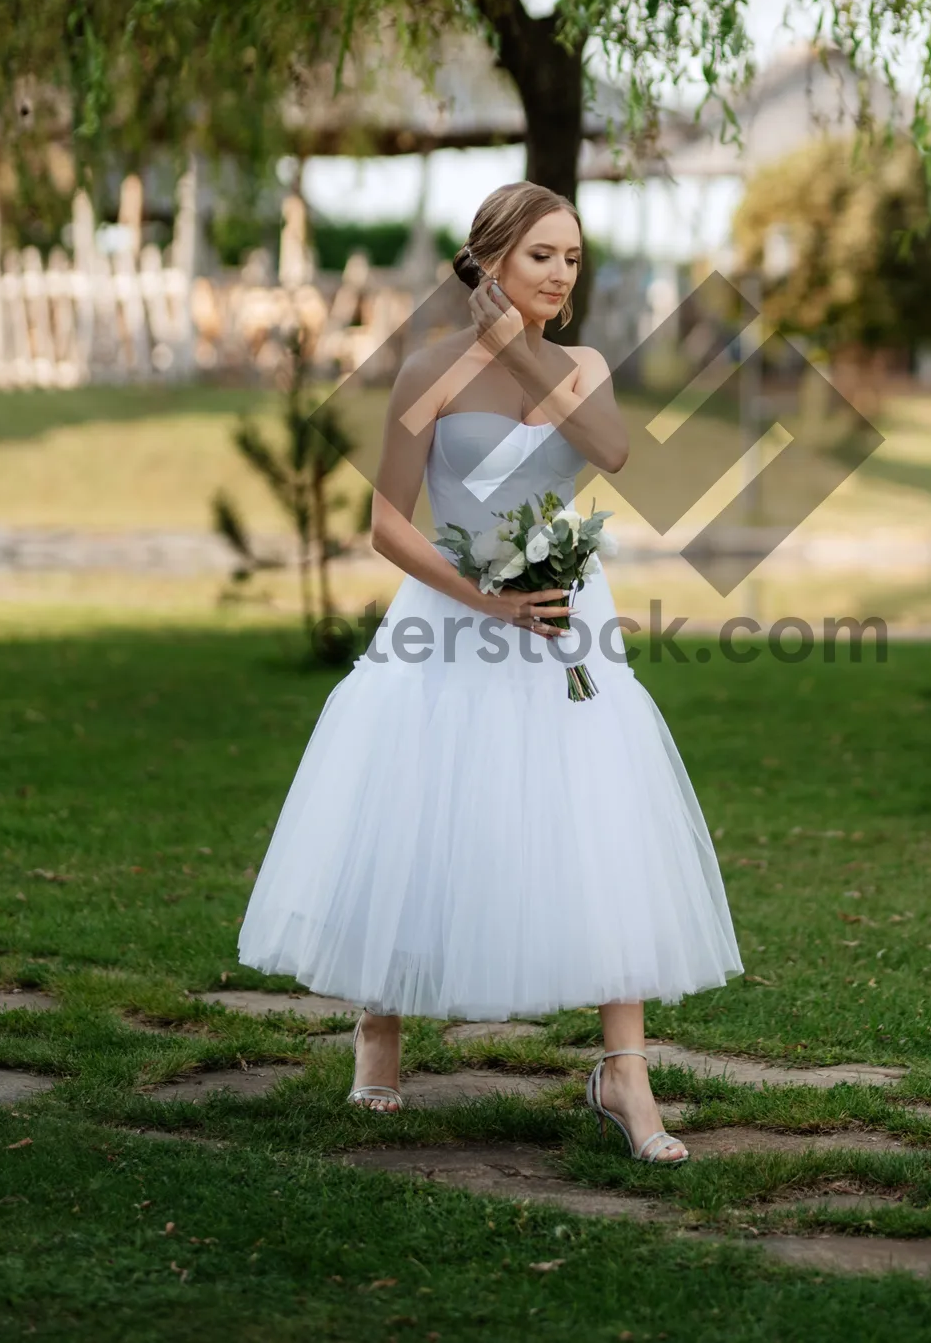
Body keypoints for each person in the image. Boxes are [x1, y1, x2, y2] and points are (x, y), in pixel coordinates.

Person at [238, 179, 742, 1164]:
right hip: (454, 617)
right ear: (494, 259)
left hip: (567, 625)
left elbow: (613, 451)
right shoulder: (428, 368)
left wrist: (518, 346)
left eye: (573, 258)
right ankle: (379, 1029)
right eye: (542, 255)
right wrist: (487, 600)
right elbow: (386, 524)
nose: (560, 275)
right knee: (420, 804)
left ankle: (625, 1075)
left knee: (597, 815)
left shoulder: (583, 365)